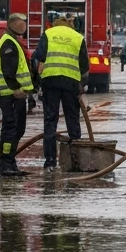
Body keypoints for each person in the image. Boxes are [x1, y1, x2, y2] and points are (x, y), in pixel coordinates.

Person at [33, 14, 89, 171]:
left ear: (55, 25)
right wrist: (82, 86)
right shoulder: (78, 37)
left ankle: (50, 161)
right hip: (71, 82)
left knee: (50, 120)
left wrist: (37, 82)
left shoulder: (49, 34)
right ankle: (75, 159)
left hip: (50, 81)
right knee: (72, 119)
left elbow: (39, 57)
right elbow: (84, 65)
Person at [0, 12, 37, 176]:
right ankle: (6, 164)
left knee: (17, 129)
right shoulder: (9, 44)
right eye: (22, 23)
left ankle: (10, 161)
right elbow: (8, 71)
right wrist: (16, 89)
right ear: (13, 25)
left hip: (16, 95)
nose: (24, 26)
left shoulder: (13, 42)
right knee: (11, 129)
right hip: (10, 95)